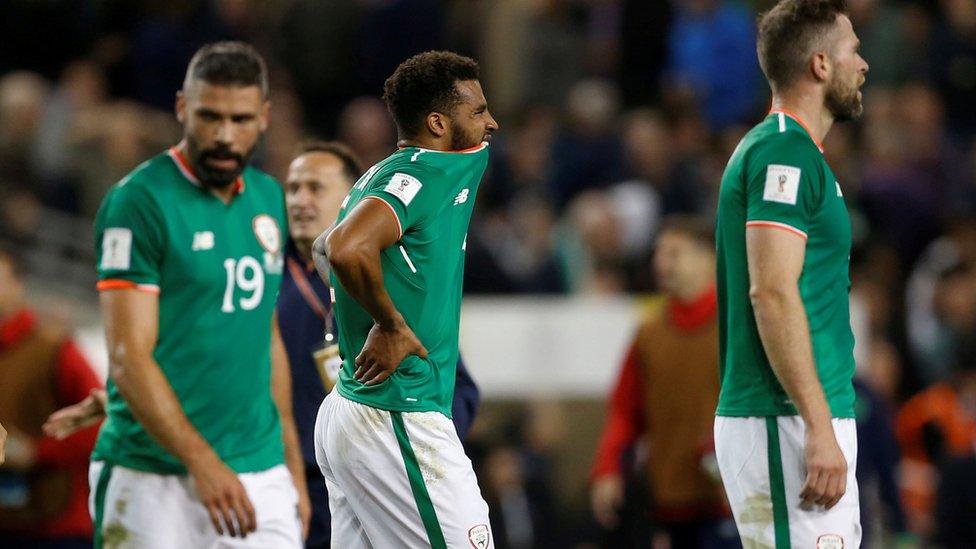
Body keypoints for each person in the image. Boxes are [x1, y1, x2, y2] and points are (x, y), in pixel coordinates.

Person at [89, 42, 307, 548]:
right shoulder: (138, 203)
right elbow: (127, 356)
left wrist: (289, 460)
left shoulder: (269, 197)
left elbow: (265, 334)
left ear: (264, 117)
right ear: (183, 108)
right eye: (210, 117)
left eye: (240, 119)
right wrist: (202, 463)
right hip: (150, 474)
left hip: (258, 468)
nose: (225, 136)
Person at [312, 51, 498, 548]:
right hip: (396, 412)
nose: (491, 123)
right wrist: (389, 322)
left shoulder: (386, 172)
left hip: (356, 409)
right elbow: (344, 248)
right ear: (438, 123)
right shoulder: (429, 173)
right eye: (477, 112)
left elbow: (323, 248)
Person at [713, 0, 869, 547]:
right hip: (783, 417)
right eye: (853, 49)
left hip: (801, 416)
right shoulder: (785, 153)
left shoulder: (798, 152)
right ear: (821, 65)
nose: (864, 64)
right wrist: (818, 426)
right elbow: (773, 292)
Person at [278, 140, 483, 548]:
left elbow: (455, 385)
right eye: (292, 188)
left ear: (352, 197)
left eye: (315, 188)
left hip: (391, 466)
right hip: (293, 486)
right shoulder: (260, 288)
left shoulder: (393, 279)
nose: (300, 200)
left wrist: (420, 460)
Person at [590, 216, 740, 548]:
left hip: (731, 501)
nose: (661, 263)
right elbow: (625, 411)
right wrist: (607, 469)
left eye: (674, 253)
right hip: (669, 502)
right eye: (659, 253)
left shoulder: (738, 325)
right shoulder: (649, 334)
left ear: (707, 259)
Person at [0, 245, 102, 548]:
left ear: (19, 284)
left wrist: (36, 452)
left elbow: (99, 419)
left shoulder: (53, 347)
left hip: (55, 524)